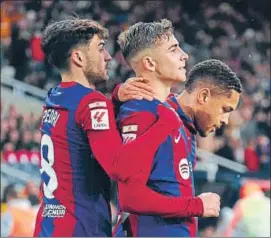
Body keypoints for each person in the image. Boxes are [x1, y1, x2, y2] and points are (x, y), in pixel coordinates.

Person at [33, 19, 181, 237]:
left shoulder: (54, 97)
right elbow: (119, 166)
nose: (108, 56)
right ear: (79, 58)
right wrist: (164, 124)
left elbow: (79, 124)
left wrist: (116, 97)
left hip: (48, 226)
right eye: (100, 48)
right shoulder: (92, 102)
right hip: (81, 228)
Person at [116, 19, 242, 237]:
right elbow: (131, 197)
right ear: (150, 63)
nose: (185, 55)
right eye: (174, 49)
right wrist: (197, 206)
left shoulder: (177, 117)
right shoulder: (142, 112)